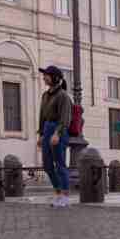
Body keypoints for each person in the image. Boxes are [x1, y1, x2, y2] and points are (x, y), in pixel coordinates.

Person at [36, 65, 72, 208]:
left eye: (46, 75)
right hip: (47, 129)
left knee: (60, 164)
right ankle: (58, 192)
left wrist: (57, 133)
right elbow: (41, 116)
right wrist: (41, 134)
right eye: (44, 75)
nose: (44, 77)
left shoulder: (63, 96)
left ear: (55, 78)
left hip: (58, 130)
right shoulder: (45, 95)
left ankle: (65, 195)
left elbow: (65, 117)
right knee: (47, 165)